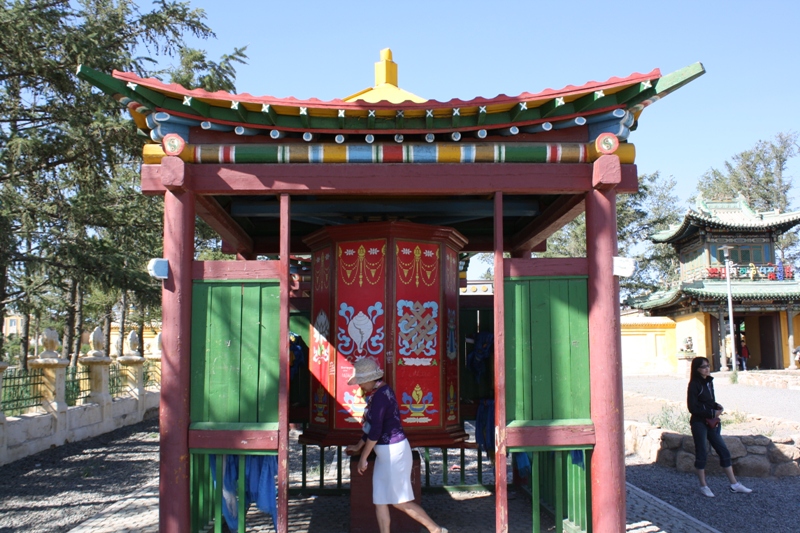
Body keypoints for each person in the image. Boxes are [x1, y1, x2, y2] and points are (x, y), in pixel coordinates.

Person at [345, 358, 447, 533]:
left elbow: (375, 431)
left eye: (361, 382)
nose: (360, 386)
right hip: (386, 456)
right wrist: (358, 445)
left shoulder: (380, 397)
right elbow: (370, 426)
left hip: (394, 452)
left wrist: (363, 458)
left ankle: (435, 529)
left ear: (370, 379)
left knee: (400, 501)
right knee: (380, 499)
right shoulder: (378, 393)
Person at [687, 357, 752, 497]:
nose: (707, 369)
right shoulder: (694, 384)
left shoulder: (709, 382)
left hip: (712, 422)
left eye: (708, 365)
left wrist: (717, 407)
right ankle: (703, 485)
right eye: (703, 367)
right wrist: (711, 412)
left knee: (723, 450)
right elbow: (692, 407)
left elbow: (709, 400)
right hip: (699, 422)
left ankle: (734, 484)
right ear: (697, 369)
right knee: (702, 452)